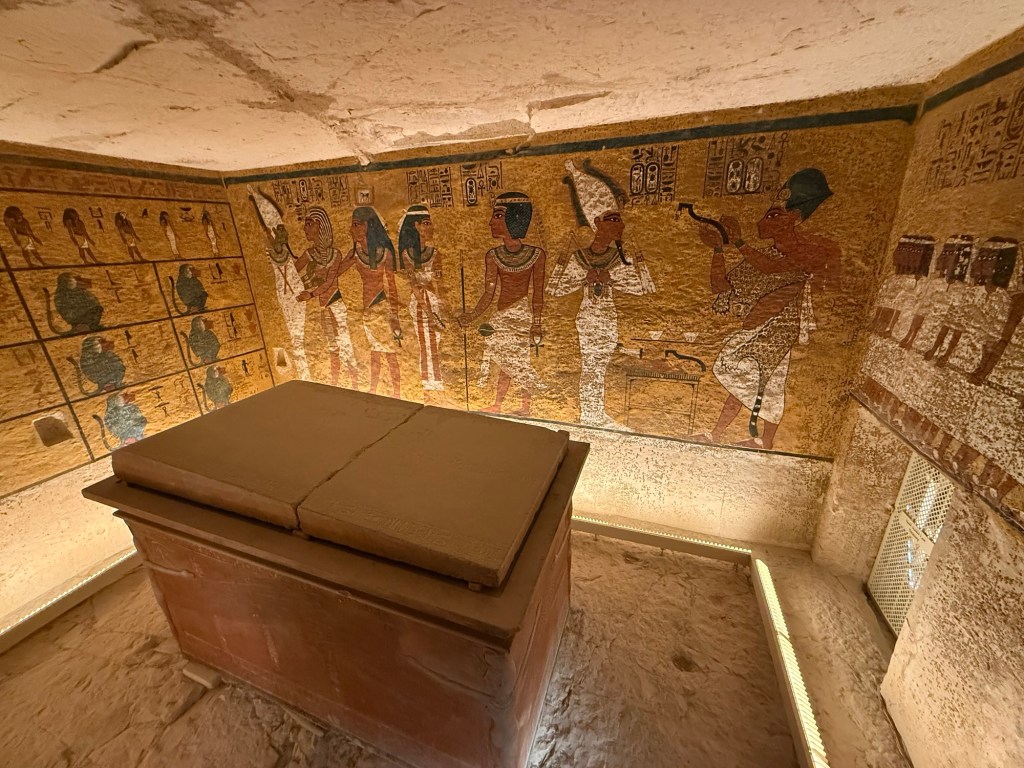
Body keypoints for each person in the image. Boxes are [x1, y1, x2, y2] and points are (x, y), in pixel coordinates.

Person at [693, 168, 840, 449]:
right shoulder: (764, 256)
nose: (762, 221)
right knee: (755, 381)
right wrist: (718, 249)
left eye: (774, 215)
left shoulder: (810, 251)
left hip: (779, 331)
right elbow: (721, 286)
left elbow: (772, 269)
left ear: (794, 217)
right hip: (760, 329)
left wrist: (738, 241)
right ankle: (738, 437)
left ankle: (741, 437)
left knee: (751, 375)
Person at [548, 160, 655, 429]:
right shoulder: (581, 256)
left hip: (608, 319)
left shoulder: (619, 257)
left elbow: (644, 287)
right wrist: (583, 276)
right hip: (588, 320)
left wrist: (612, 277)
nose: (620, 225)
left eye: (619, 220)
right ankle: (591, 415)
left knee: (601, 366)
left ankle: (595, 412)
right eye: (613, 220)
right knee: (591, 367)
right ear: (597, 222)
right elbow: (555, 289)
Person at [459, 191, 546, 416]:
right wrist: (472, 315)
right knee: (504, 362)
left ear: (515, 218)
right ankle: (498, 404)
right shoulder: (493, 255)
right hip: (501, 316)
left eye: (497, 215)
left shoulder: (536, 255)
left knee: (520, 361)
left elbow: (538, 292)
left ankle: (526, 406)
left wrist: (536, 323)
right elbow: (489, 293)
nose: (491, 222)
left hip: (521, 315)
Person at [293, 207, 359, 388]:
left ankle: (354, 383)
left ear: (319, 225)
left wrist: (311, 293)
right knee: (332, 348)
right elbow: (292, 273)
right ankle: (335, 384)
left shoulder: (335, 254)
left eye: (309, 224)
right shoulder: (309, 254)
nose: (305, 229)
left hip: (335, 304)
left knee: (345, 345)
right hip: (324, 307)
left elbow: (330, 280)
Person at [398, 204, 448, 398]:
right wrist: (430, 314)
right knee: (426, 343)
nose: (430, 227)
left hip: (432, 301)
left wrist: (443, 305)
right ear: (416, 225)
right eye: (426, 223)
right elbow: (415, 287)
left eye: (430, 223)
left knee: (435, 341)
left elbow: (439, 284)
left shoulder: (434, 253)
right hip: (420, 304)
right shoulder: (407, 254)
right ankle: (428, 383)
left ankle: (436, 382)